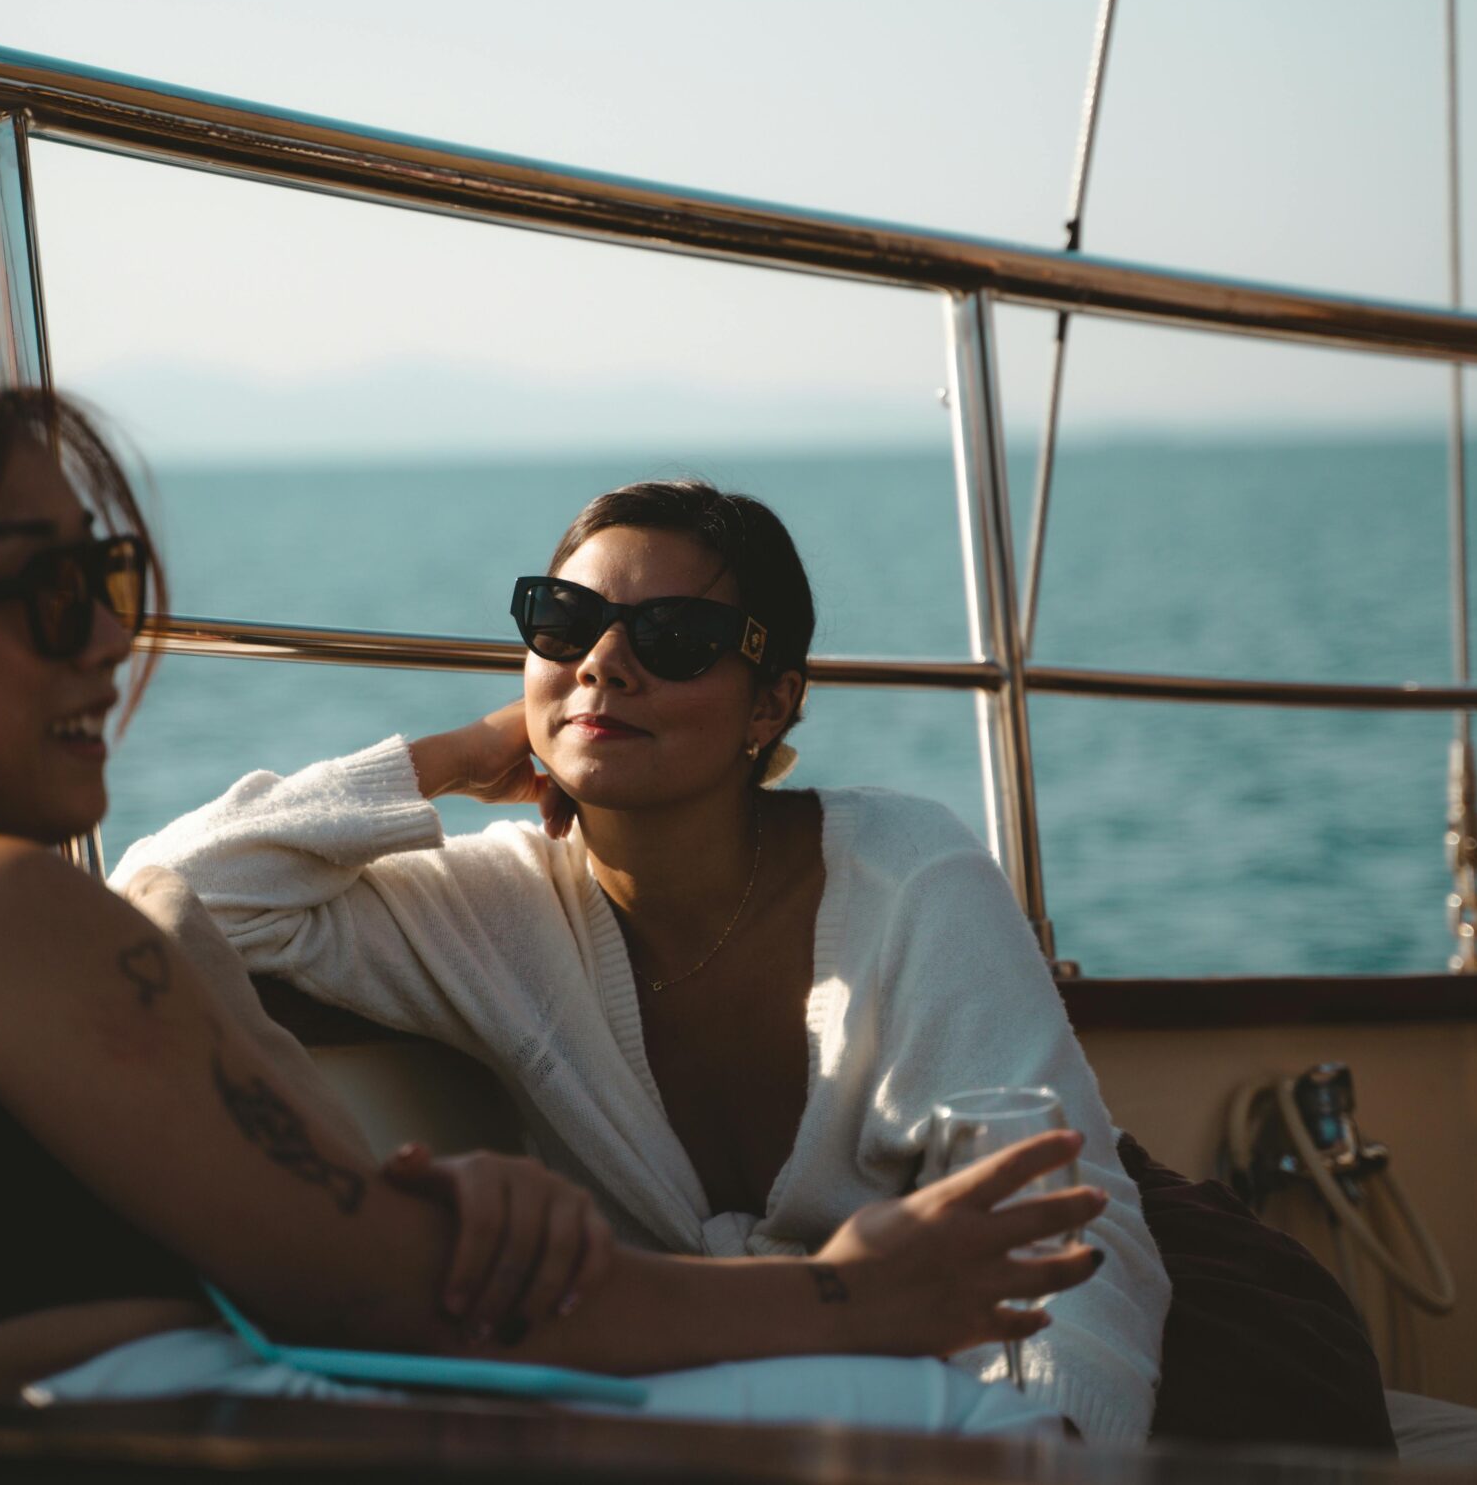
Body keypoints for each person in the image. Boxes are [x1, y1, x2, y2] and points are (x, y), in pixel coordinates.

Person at [0, 355, 1110, 1420]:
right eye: (46, 595)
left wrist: (408, 1192)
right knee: (943, 1421)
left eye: (106, 582)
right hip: (248, 1416)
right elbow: (372, 1285)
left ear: (778, 699)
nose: (110, 643)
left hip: (227, 1402)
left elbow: (322, 1250)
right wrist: (852, 1296)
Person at [114, 479, 1170, 1443]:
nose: (602, 664)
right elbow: (173, 888)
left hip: (945, 1418)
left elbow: (1068, 1229)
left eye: (674, 636)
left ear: (771, 704)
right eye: (563, 624)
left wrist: (1049, 1449)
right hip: (701, 1414)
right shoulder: (494, 907)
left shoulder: (910, 877)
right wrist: (448, 757)